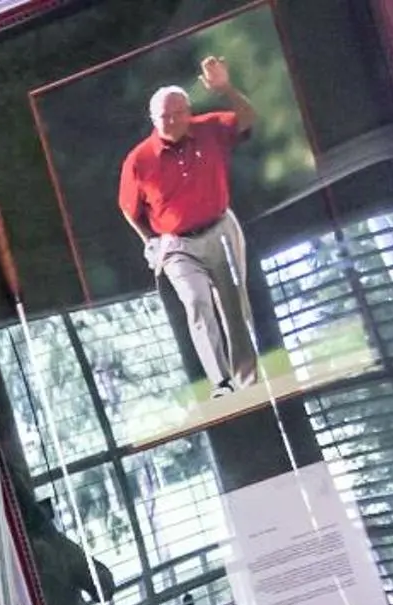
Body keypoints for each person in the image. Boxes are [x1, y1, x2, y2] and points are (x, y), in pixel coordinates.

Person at [118, 56, 261, 394]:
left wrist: (225, 88)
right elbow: (129, 208)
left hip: (221, 228)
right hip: (177, 245)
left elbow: (248, 119)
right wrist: (151, 242)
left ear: (188, 111)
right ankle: (222, 382)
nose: (169, 120)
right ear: (153, 120)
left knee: (234, 303)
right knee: (196, 302)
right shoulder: (139, 159)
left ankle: (247, 381)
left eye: (176, 113)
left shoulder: (210, 128)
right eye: (162, 116)